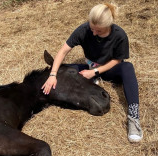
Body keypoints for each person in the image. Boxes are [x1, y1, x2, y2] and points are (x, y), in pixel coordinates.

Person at [41, 3, 143, 143]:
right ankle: (58, 67)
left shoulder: (120, 35)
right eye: (92, 28)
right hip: (89, 67)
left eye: (99, 31)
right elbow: (64, 50)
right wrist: (53, 74)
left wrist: (94, 72)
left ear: (109, 26)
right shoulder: (83, 29)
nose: (94, 33)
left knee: (128, 67)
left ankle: (134, 117)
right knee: (64, 70)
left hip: (108, 69)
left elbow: (117, 60)